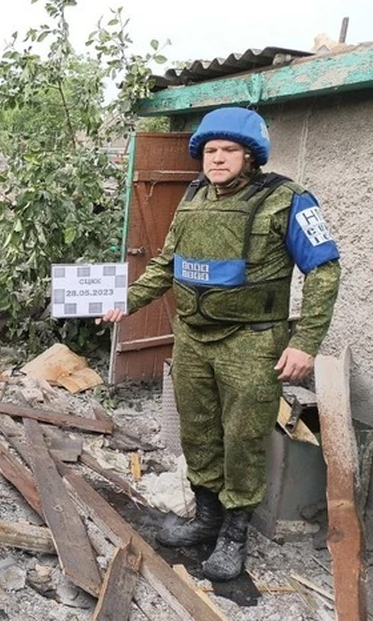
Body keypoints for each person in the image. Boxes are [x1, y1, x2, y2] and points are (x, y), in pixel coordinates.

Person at [98, 107, 341, 581]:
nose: (218, 158)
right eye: (210, 150)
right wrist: (127, 300)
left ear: (251, 156)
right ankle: (207, 518)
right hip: (193, 339)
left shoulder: (287, 199)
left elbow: (324, 269)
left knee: (244, 437)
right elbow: (167, 265)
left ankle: (234, 533)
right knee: (198, 430)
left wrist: (306, 341)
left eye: (230, 149)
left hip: (252, 342)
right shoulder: (193, 197)